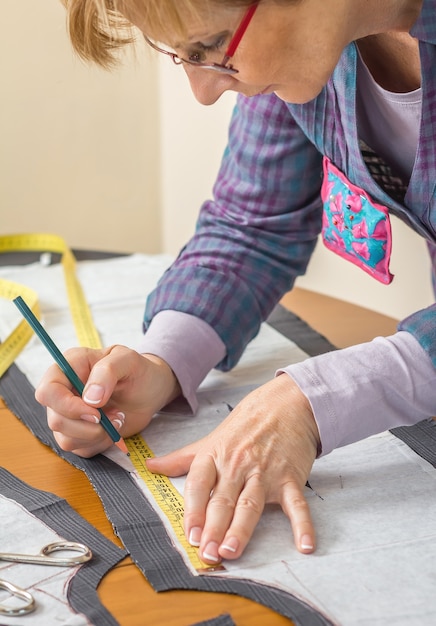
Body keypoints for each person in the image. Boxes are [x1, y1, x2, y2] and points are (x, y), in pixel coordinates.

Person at [36, 0, 436, 566]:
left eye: (215, 46)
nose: (204, 92)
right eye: (181, 58)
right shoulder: (320, 42)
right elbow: (253, 225)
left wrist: (313, 400)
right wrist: (161, 362)